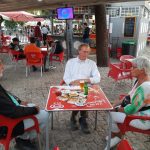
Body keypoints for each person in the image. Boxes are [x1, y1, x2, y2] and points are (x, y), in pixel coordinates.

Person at [0, 59, 49, 149]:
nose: (3, 67)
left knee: (30, 105)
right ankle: (23, 139)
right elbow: (14, 112)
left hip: (8, 117)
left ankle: (24, 139)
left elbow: (7, 97)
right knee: (45, 114)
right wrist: (34, 110)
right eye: (0, 65)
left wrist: (19, 102)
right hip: (8, 126)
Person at [105, 56, 150, 149]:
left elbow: (131, 109)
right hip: (137, 112)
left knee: (111, 115)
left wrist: (116, 109)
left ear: (142, 70)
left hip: (143, 119)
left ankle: (117, 136)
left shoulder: (145, 87)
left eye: (133, 67)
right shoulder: (139, 80)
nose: (130, 69)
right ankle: (116, 136)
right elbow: (129, 96)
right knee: (111, 110)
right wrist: (114, 104)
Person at [63, 43, 101, 134]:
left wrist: (85, 80)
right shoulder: (70, 62)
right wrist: (73, 82)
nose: (86, 54)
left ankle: (80, 118)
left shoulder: (92, 64)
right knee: (79, 95)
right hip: (72, 86)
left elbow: (97, 78)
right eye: (84, 51)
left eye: (88, 52)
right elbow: (66, 77)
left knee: (84, 94)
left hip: (85, 86)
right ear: (79, 51)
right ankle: (78, 118)